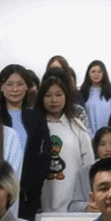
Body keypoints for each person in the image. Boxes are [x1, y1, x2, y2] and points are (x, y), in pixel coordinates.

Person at [0, 64, 52, 221]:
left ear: (27, 87)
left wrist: (38, 175)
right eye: (9, 84)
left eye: (20, 84)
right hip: (0, 184)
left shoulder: (35, 117)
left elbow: (46, 148)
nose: (15, 89)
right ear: (1, 87)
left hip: (29, 189)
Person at [38, 72, 94, 213]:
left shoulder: (76, 126)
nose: (53, 100)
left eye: (58, 95)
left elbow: (88, 163)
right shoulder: (35, 126)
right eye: (48, 95)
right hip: (42, 200)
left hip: (72, 201)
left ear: (66, 97)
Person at [79, 59, 111, 137]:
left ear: (104, 74)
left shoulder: (110, 94)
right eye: (93, 71)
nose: (96, 74)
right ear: (88, 74)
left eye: (99, 72)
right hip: (87, 135)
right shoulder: (83, 93)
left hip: (107, 134)